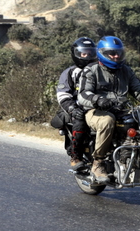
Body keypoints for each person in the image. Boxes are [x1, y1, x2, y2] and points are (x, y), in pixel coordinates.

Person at [78, 36, 140, 183]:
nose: (116, 56)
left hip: (121, 109)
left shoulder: (126, 70)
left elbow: (139, 91)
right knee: (107, 121)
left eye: (119, 53)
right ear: (102, 53)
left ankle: (139, 157)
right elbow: (83, 94)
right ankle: (98, 163)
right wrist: (98, 100)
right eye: (112, 53)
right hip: (96, 111)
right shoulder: (91, 70)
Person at [52, 37, 97, 171]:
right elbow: (62, 95)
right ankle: (75, 156)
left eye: (90, 52)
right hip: (76, 108)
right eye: (83, 53)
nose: (87, 56)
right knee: (79, 121)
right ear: (76, 54)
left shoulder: (98, 70)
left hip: (95, 106)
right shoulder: (70, 72)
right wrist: (72, 108)